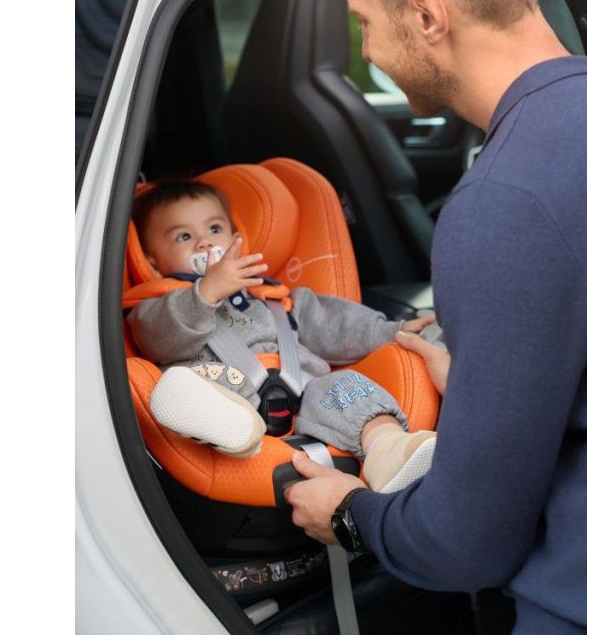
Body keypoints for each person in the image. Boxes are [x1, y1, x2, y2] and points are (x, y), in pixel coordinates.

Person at [283, 0, 587, 633]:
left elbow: (465, 546)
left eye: (363, 23)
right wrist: (485, 376)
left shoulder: (503, 204)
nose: (367, 51)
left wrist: (351, 513)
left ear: (425, 14)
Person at [126, 180, 440, 492]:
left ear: (236, 238)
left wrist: (391, 330)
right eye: (184, 236)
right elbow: (159, 340)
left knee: (346, 385)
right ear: (152, 262)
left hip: (305, 396)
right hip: (229, 395)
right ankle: (231, 428)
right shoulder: (157, 308)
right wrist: (206, 292)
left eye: (214, 229)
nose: (204, 243)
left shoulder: (275, 298)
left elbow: (335, 324)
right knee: (193, 385)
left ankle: (388, 449)